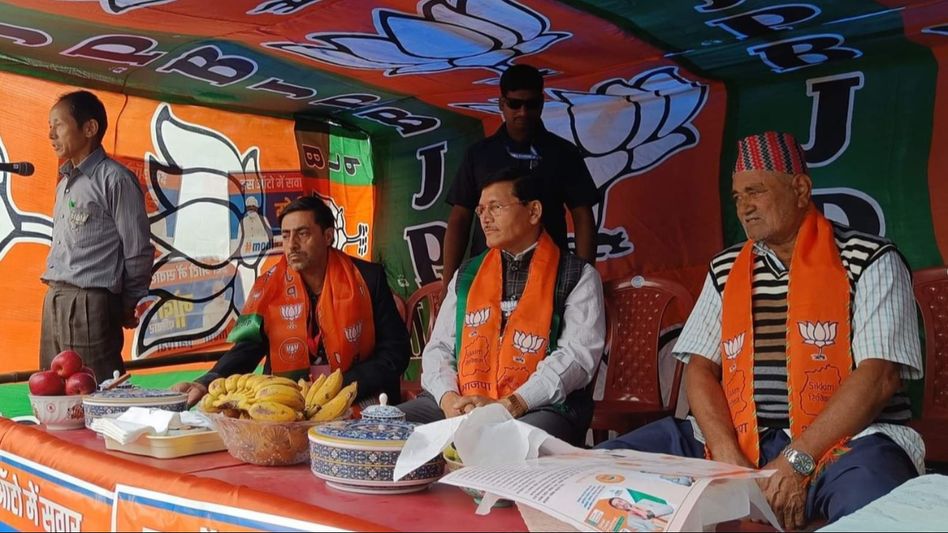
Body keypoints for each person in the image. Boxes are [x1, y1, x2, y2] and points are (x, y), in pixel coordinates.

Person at [597, 132, 924, 529]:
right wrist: (723, 449)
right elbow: (700, 368)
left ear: (800, 189)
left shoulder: (869, 257)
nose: (744, 207)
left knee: (876, 512)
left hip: (847, 442)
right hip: (732, 438)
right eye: (737, 197)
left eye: (755, 192)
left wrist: (797, 459)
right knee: (601, 473)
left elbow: (878, 376)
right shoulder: (726, 267)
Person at [399, 168, 605, 445]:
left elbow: (576, 358)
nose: (484, 217)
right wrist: (449, 399)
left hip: (536, 407)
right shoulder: (467, 274)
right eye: (481, 209)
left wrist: (512, 404)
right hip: (461, 401)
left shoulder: (577, 275)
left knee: (510, 443)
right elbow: (439, 348)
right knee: (387, 427)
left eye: (495, 207)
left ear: (533, 212)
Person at [172, 196, 410, 406]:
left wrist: (340, 386)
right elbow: (248, 347)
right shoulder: (270, 286)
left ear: (328, 236)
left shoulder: (368, 279)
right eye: (286, 235)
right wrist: (207, 381)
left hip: (356, 393)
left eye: (302, 234)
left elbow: (395, 353)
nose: (292, 245)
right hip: (286, 398)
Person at [441, 63, 599, 297]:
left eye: (532, 104)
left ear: (542, 103)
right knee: (484, 333)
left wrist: (586, 279)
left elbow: (583, 216)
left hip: (550, 275)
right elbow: (459, 218)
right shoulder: (479, 154)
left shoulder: (563, 153)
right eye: (515, 104)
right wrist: (448, 285)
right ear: (501, 104)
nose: (523, 112)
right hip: (488, 274)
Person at [40, 90, 154, 383]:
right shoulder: (65, 182)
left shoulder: (115, 179)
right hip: (55, 297)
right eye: (49, 125)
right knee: (54, 393)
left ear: (89, 128)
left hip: (91, 304)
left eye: (59, 125)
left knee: (96, 393)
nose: (51, 134)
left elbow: (138, 249)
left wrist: (127, 303)